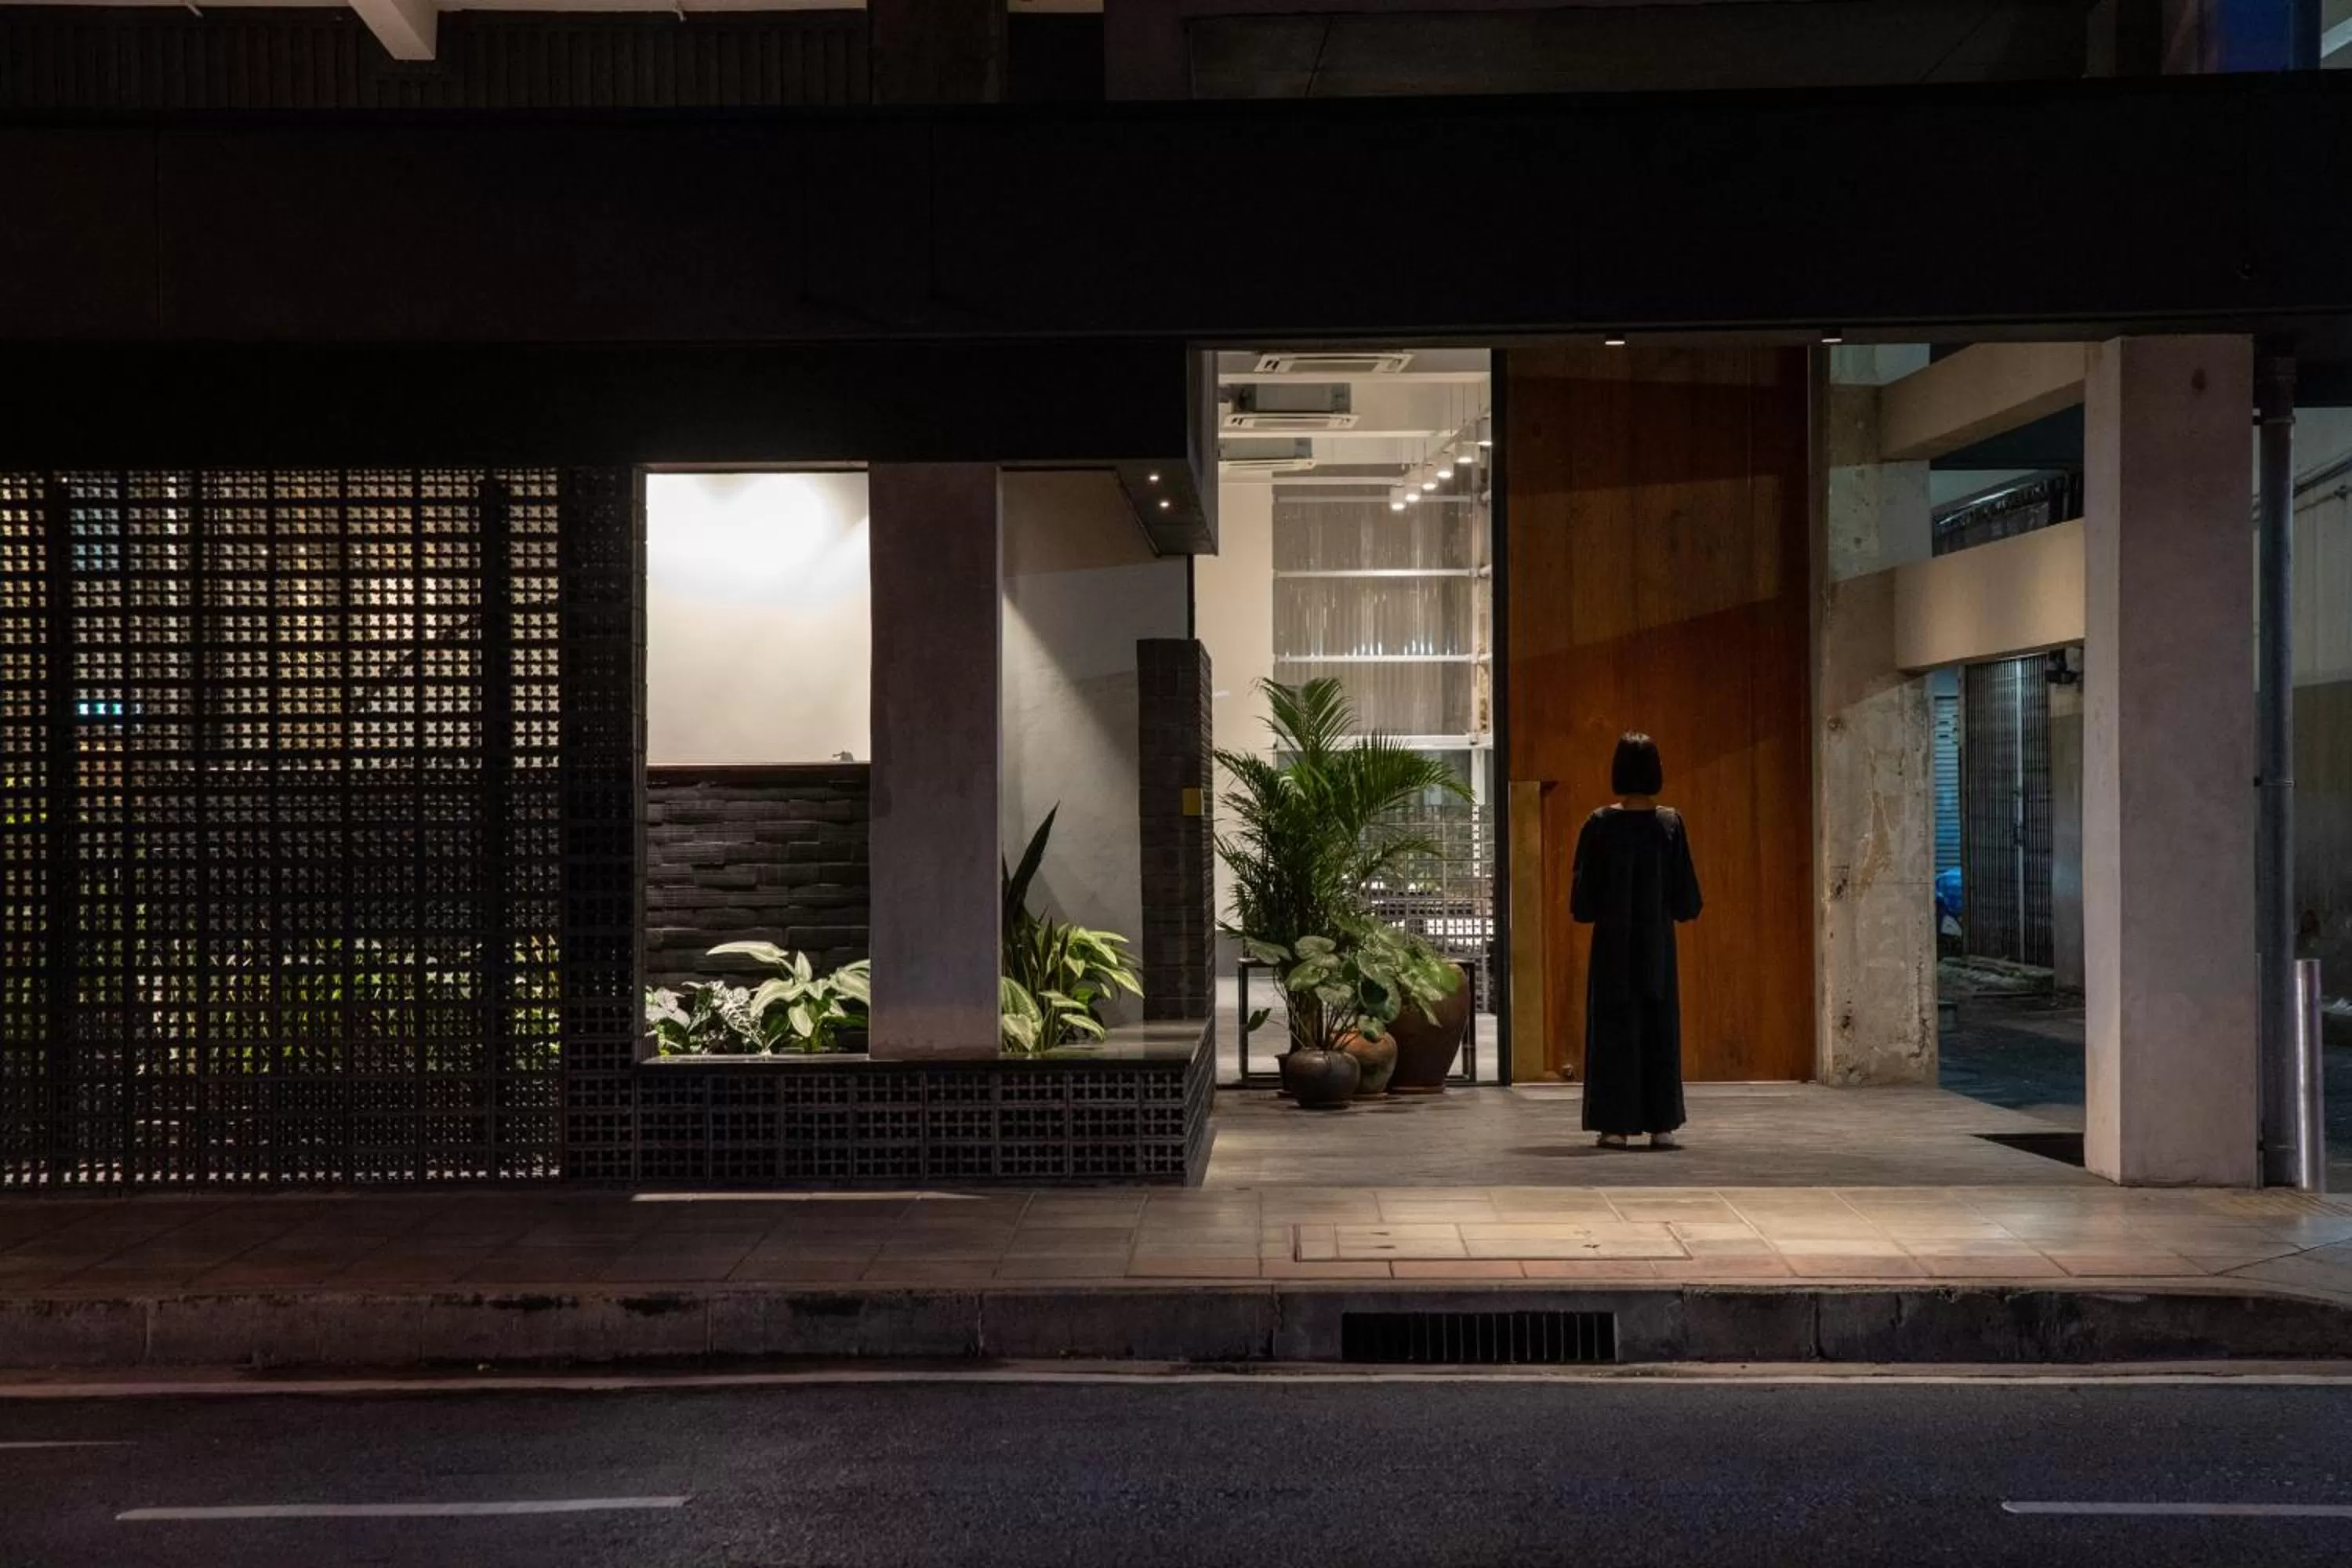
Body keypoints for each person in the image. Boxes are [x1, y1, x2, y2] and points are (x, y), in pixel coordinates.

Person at [1570, 733, 1702, 1151]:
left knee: (1613, 1031)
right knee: (1660, 1028)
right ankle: (1662, 1124)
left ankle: (1614, 1127)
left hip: (1612, 947)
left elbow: (1583, 903)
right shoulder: (1670, 824)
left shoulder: (1599, 825)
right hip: (1657, 946)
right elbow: (1687, 901)